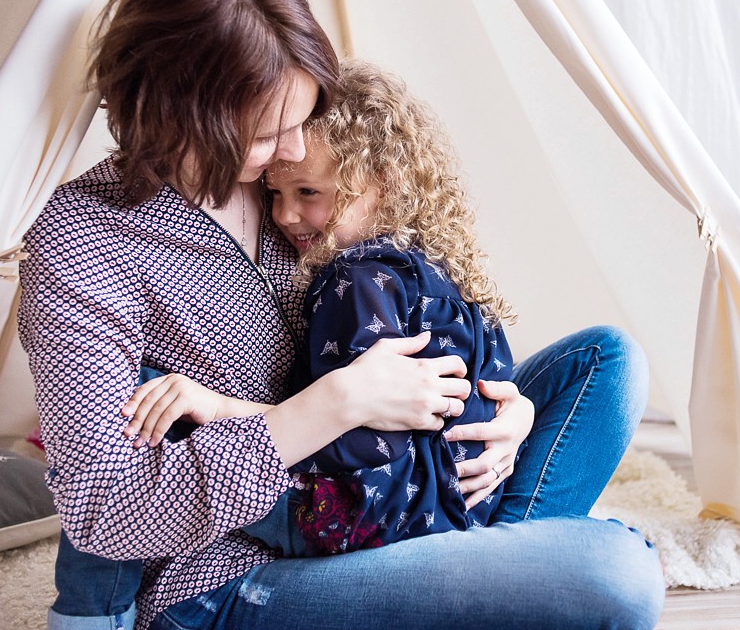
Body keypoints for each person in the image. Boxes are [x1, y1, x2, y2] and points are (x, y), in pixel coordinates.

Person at [18, 0, 664, 630]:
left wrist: (502, 416)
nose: (292, 153)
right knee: (617, 573)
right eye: (269, 135)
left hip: (383, 481)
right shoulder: (84, 241)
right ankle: (489, 573)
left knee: (606, 362)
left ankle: (473, 562)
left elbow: (400, 330)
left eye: (301, 122)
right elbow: (104, 511)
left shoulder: (288, 183)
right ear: (184, 116)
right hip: (238, 571)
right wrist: (337, 401)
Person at [132, 58, 519, 557]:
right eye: (274, 193)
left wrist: (217, 409)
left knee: (145, 396)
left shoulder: (356, 280)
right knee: (603, 355)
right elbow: (491, 385)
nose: (284, 215)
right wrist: (518, 411)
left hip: (377, 524)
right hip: (467, 509)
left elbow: (353, 441)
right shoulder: (443, 269)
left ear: (387, 180)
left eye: (308, 192)